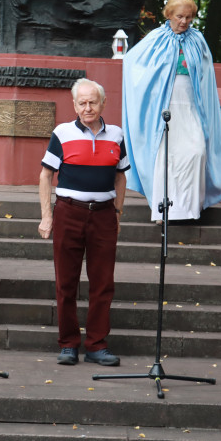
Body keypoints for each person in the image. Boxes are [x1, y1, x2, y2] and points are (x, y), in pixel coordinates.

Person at [38, 78, 129, 366]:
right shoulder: (62, 133)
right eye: (82, 102)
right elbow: (45, 176)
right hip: (69, 212)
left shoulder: (117, 135)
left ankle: (96, 345)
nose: (87, 107)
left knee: (103, 283)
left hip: (103, 215)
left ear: (103, 104)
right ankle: (68, 344)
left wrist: (117, 212)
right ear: (74, 105)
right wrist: (46, 216)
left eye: (93, 102)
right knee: (66, 282)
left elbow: (120, 176)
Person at [122, 0, 221, 221]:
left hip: (192, 105)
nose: (184, 22)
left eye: (189, 18)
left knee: (197, 152)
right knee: (166, 155)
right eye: (180, 16)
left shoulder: (197, 39)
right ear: (169, 15)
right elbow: (132, 63)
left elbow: (206, 76)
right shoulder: (156, 38)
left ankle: (189, 209)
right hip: (164, 106)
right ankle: (165, 211)